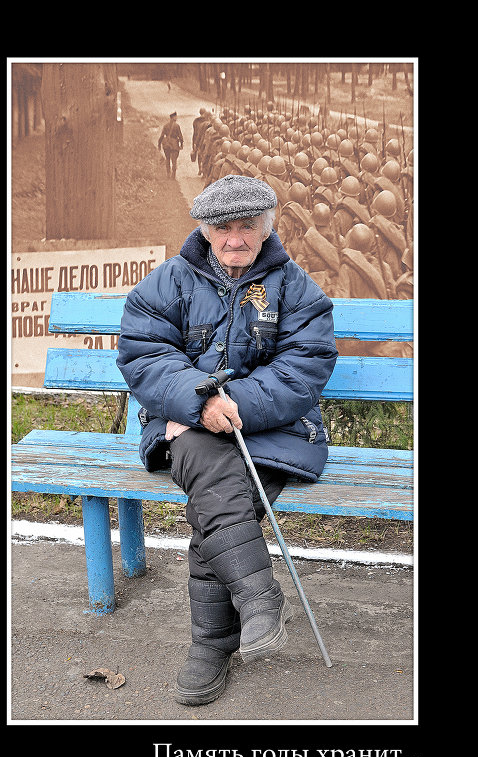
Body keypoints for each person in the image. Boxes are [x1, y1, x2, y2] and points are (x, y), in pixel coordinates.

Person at [116, 175, 338, 706]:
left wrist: (237, 403)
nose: (235, 239)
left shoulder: (296, 287)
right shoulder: (167, 282)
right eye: (223, 228)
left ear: (266, 228)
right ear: (205, 230)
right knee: (206, 463)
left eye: (246, 227)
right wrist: (200, 400)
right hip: (188, 426)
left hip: (273, 432)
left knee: (215, 497)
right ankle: (256, 597)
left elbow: (306, 364)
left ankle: (211, 645)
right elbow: (143, 353)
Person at [158, 111, 184, 178]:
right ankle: (173, 175)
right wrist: (181, 144)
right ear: (173, 117)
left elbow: (162, 136)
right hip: (174, 144)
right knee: (174, 160)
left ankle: (168, 174)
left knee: (167, 159)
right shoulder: (177, 126)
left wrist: (159, 144)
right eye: (175, 117)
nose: (176, 118)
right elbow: (180, 136)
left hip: (166, 144)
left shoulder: (165, 126)